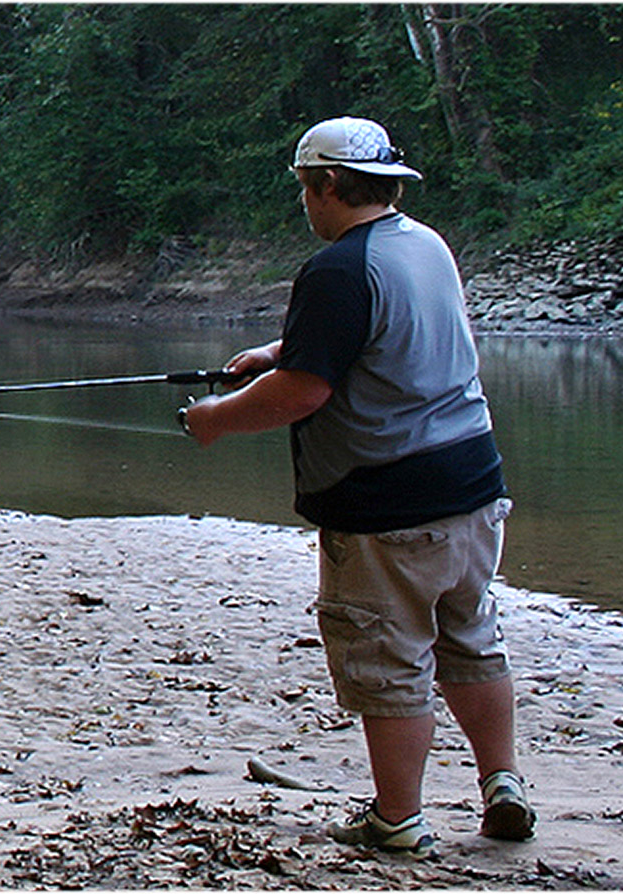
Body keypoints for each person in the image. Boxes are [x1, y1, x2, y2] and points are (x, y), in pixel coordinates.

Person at [180, 116, 530, 859]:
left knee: (388, 659)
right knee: (470, 638)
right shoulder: (424, 244)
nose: (305, 204)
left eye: (306, 190)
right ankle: (502, 782)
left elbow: (302, 393)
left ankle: (398, 820)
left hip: (389, 507)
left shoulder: (338, 268)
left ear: (329, 185)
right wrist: (277, 350)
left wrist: (215, 418)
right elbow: (384, 332)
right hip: (474, 487)